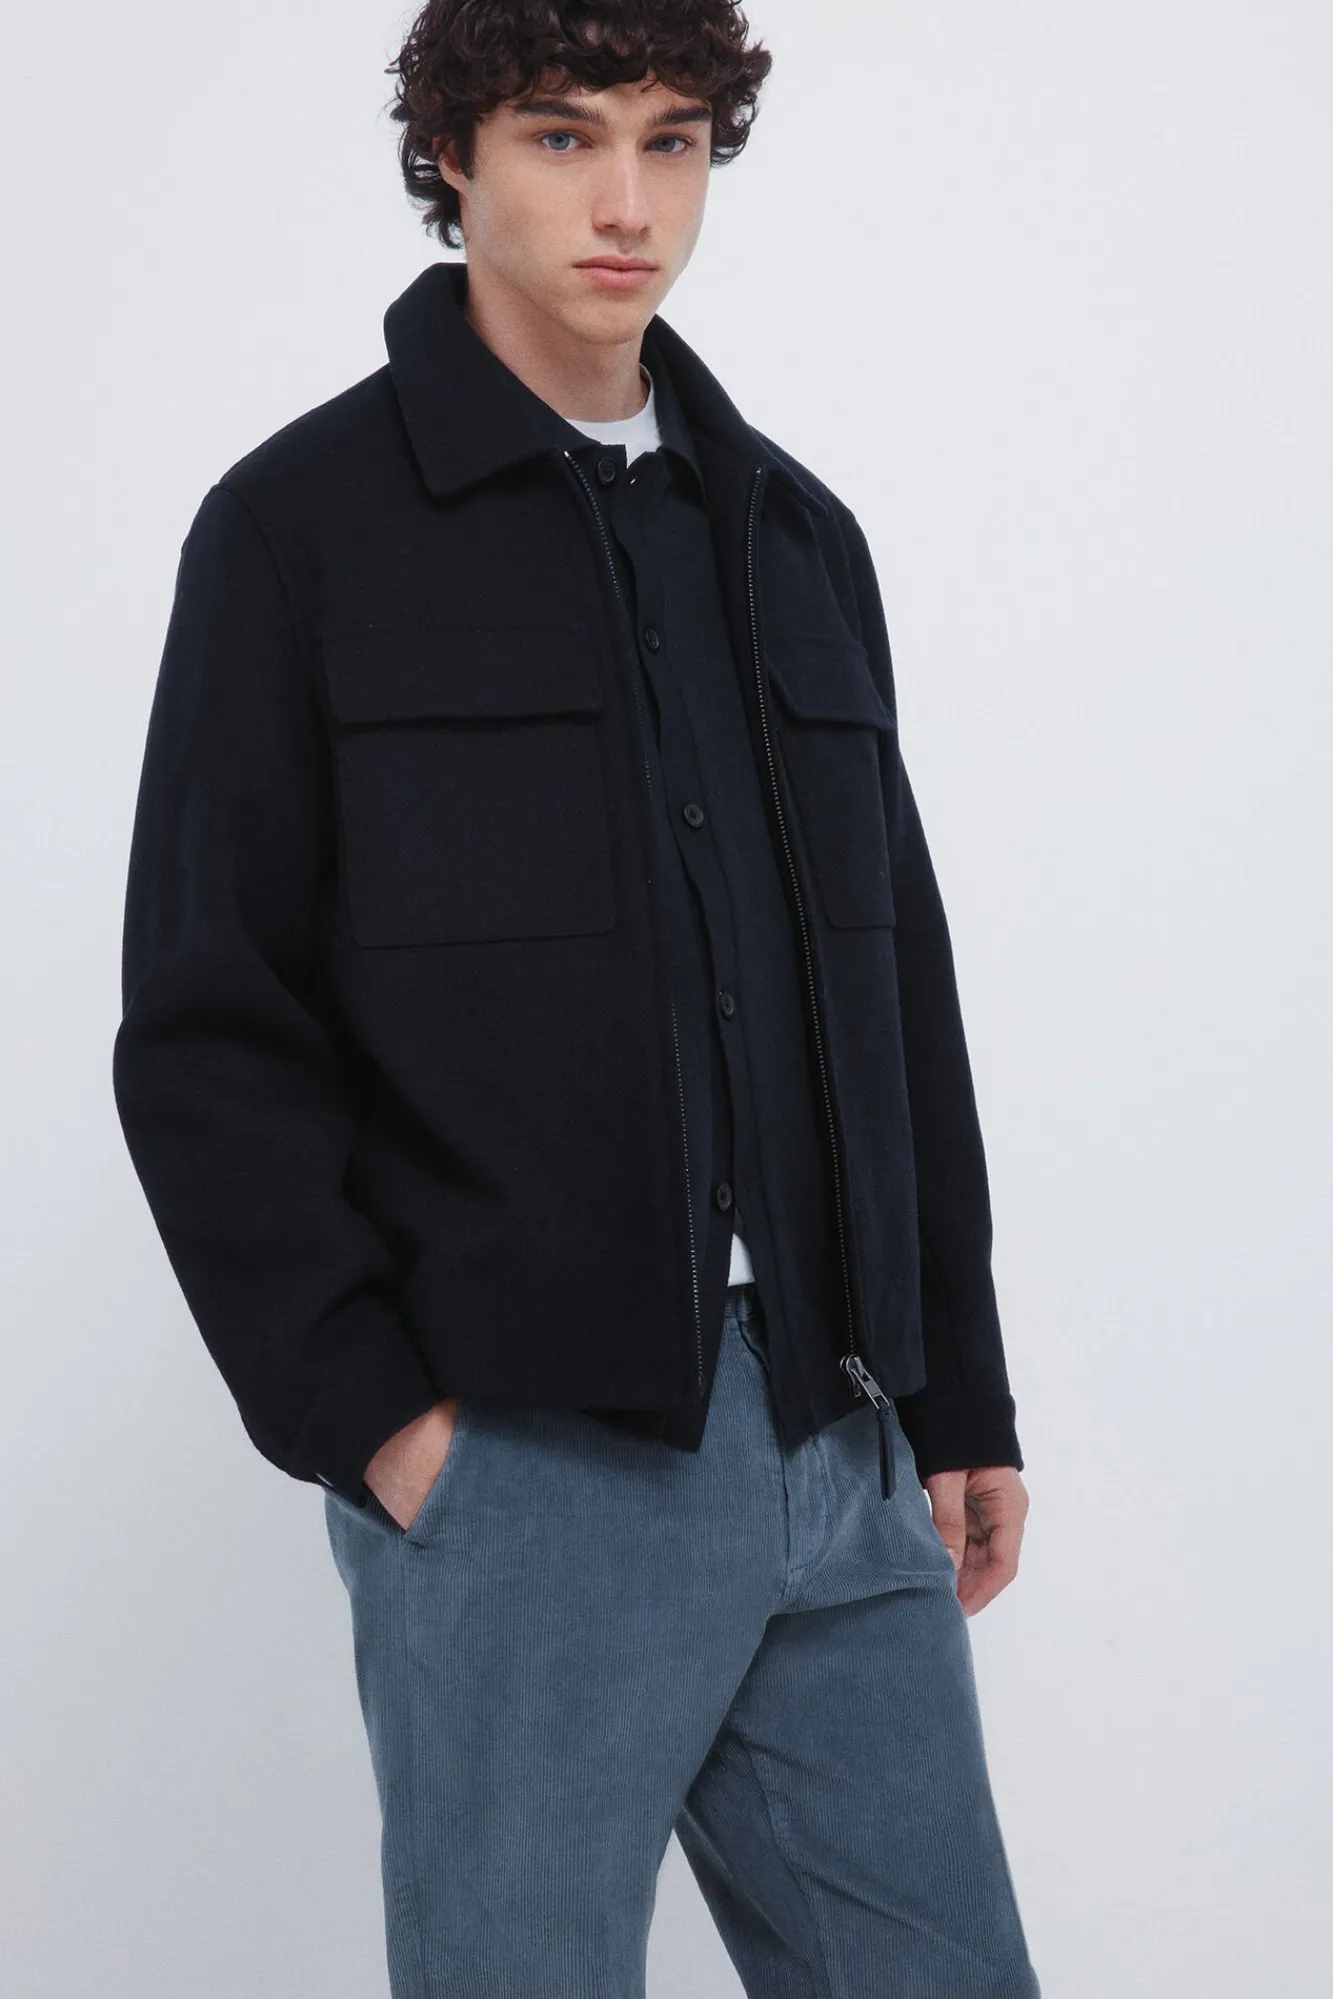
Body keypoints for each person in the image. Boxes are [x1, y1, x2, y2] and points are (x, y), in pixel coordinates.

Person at [112, 2, 1041, 1992]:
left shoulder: (792, 535)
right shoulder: (299, 533)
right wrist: (385, 1425)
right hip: (530, 1467)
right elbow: (204, 1025)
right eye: (562, 136)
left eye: (672, 140)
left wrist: (956, 1389)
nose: (628, 203)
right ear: (452, 155)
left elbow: (900, 993)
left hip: (841, 1439)